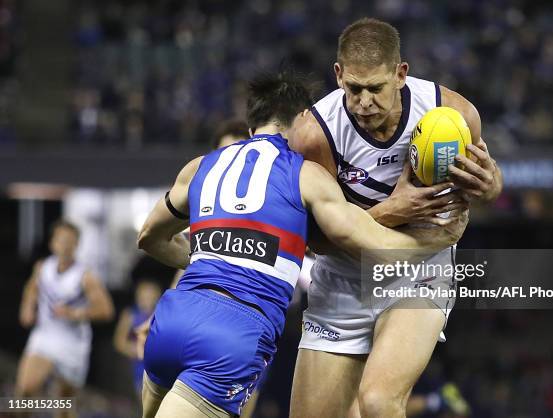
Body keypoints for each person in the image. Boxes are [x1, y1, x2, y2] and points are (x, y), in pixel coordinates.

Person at [136, 71, 468, 418]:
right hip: (232, 334)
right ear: (302, 122)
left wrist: (210, 261)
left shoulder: (199, 167)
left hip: (173, 317)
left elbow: (149, 237)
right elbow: (373, 244)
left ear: (252, 127)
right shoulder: (305, 174)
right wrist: (440, 235)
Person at [288, 18, 503, 418]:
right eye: (353, 88)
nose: (364, 101)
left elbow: (483, 193)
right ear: (338, 75)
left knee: (378, 401)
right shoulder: (314, 135)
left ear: (400, 74)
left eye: (375, 88)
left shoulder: (452, 113)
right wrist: (390, 212)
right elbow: (313, 241)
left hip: (420, 266)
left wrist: (491, 188)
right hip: (343, 278)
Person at [16, 220, 115, 418]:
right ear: (52, 243)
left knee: (64, 407)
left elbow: (106, 310)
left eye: (70, 241)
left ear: (77, 245)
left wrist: (75, 313)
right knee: (25, 392)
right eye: (61, 240)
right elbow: (32, 289)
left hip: (73, 344)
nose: (65, 245)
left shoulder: (85, 276)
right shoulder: (42, 268)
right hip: (45, 336)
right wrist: (27, 308)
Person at [113, 278, 162, 395]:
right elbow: (119, 342)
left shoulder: (161, 314)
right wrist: (135, 349)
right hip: (138, 370)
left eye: (150, 297)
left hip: (159, 368)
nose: (146, 301)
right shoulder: (130, 315)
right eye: (143, 297)